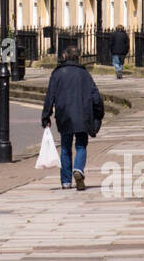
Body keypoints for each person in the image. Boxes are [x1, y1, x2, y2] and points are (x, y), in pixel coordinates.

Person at [41, 44, 104, 190]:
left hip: (64, 115)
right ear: (79, 58)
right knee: (81, 145)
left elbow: (50, 96)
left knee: (65, 147)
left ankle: (66, 181)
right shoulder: (85, 74)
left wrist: (46, 116)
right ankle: (78, 169)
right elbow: (96, 97)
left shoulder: (57, 74)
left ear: (64, 56)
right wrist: (99, 113)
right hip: (83, 115)